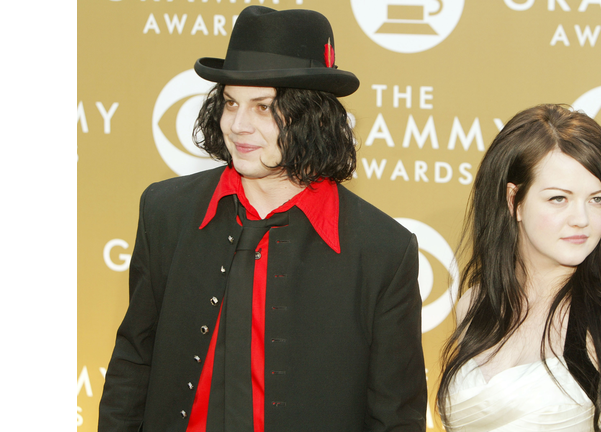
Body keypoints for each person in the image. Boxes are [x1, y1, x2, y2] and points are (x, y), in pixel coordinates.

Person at [99, 6, 427, 432]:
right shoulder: (166, 212)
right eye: (231, 102)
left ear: (313, 117)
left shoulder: (383, 250)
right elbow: (133, 363)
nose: (238, 125)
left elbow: (395, 416)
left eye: (263, 107)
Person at [437, 105, 601, 431]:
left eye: (597, 199)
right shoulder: (474, 305)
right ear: (513, 200)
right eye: (559, 198)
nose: (582, 219)